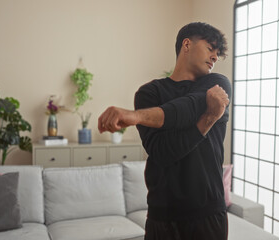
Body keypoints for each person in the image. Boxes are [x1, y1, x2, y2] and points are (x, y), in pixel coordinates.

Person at [98, 22, 231, 240]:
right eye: (210, 49)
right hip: (164, 215)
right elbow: (163, 153)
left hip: (208, 212)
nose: (215, 58)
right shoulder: (149, 93)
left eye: (217, 55)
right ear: (186, 44)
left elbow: (190, 105)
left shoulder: (218, 85)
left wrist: (137, 116)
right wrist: (208, 118)